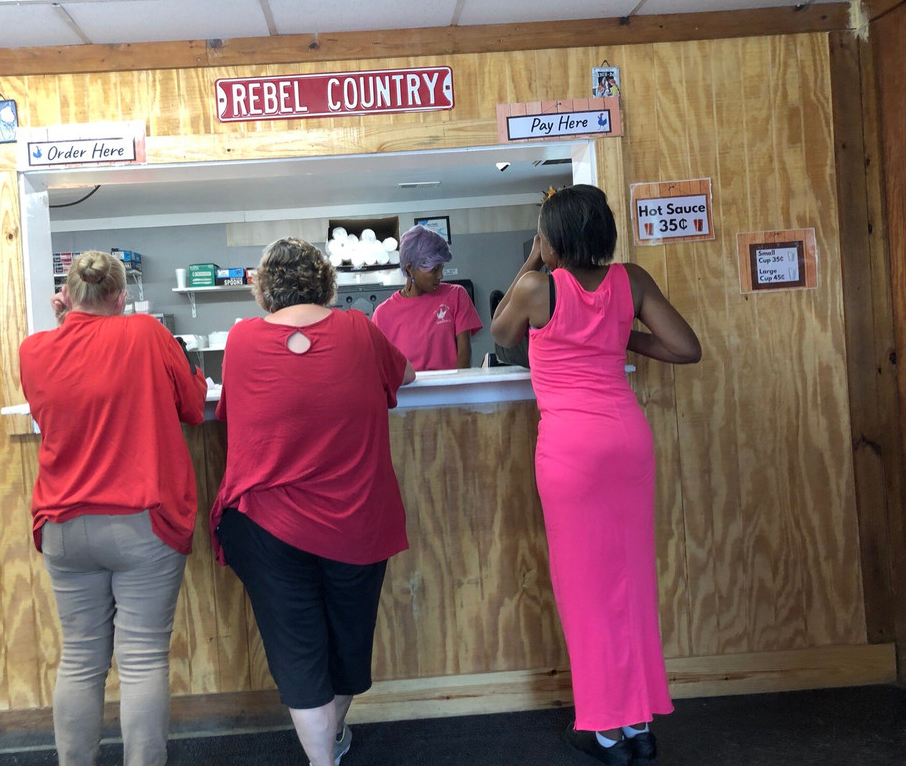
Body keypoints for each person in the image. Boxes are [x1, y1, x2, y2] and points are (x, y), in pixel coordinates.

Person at [491, 185, 701, 766]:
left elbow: (502, 336)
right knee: (631, 583)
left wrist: (532, 261)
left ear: (551, 237)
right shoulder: (631, 280)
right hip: (628, 441)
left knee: (585, 592)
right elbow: (685, 348)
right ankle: (640, 725)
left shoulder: (538, 287)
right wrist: (617, 330)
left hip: (572, 452)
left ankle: (607, 734)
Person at [211, 237, 415, 766]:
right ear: (326, 283)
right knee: (347, 652)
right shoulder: (360, 329)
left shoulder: (240, 339)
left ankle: (323, 756)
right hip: (355, 520)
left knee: (299, 658)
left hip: (265, 523)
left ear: (264, 289)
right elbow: (406, 375)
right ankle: (333, 737)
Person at [19, 250, 208, 766]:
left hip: (62, 523)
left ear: (67, 295)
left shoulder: (34, 350)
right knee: (142, 659)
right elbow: (194, 408)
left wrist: (66, 325)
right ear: (122, 297)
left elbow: (56, 401)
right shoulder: (145, 333)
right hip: (141, 522)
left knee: (80, 659)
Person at [372, 224, 482, 370]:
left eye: (441, 268)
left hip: (451, 384)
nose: (440, 276)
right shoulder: (382, 314)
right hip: (408, 385)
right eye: (434, 270)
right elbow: (380, 367)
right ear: (410, 268)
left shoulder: (456, 295)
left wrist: (457, 384)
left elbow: (464, 354)